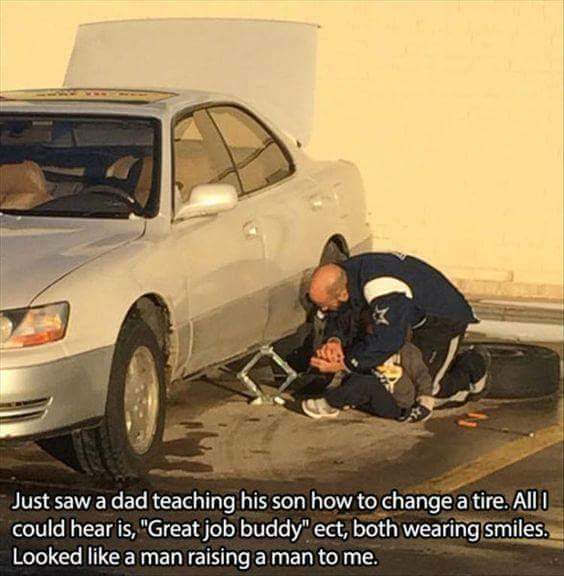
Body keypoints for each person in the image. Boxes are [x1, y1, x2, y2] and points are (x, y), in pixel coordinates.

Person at [301, 252, 490, 421]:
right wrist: (335, 341)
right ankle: (443, 363)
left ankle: (474, 366)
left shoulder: (380, 288)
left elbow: (389, 339)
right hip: (405, 319)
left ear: (343, 293)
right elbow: (343, 311)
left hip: (442, 320)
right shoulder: (343, 274)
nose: (322, 310)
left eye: (324, 304)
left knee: (424, 394)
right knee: (390, 377)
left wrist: (346, 363)